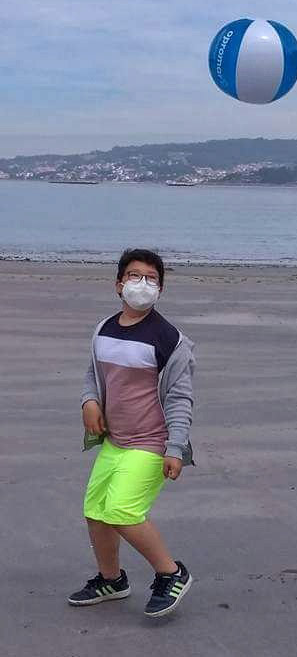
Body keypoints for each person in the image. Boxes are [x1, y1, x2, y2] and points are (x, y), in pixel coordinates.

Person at [68, 249, 196, 616]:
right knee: (96, 511)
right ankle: (112, 580)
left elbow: (180, 399)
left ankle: (171, 573)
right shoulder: (104, 329)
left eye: (151, 278)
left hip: (151, 443)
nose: (143, 284)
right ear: (119, 284)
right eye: (135, 276)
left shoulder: (169, 339)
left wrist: (175, 448)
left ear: (161, 289)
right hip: (115, 441)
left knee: (122, 510)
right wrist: (89, 402)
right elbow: (93, 374)